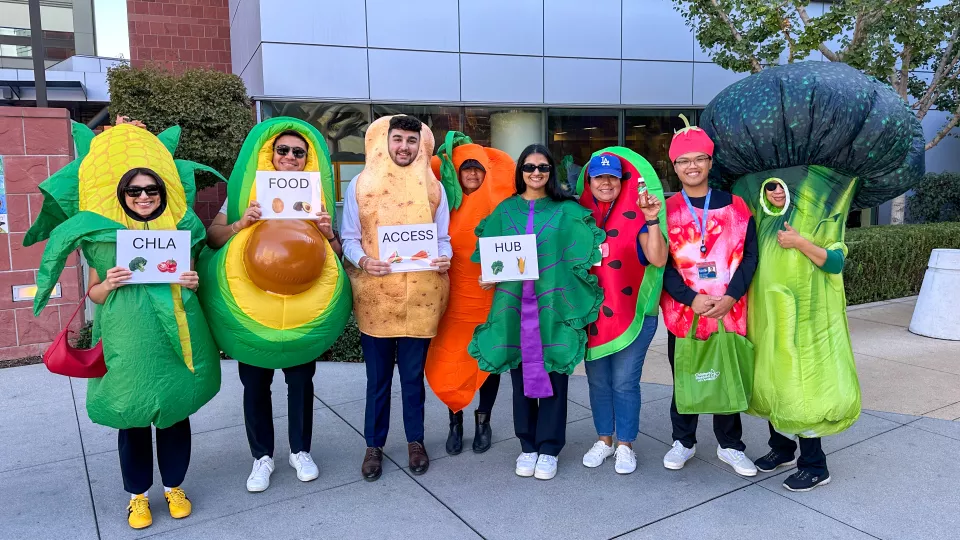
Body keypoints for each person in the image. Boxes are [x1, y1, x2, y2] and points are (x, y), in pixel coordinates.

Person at [24, 117, 220, 530]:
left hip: (172, 337)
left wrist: (191, 279)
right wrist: (108, 282)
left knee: (174, 411)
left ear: (161, 194)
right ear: (124, 194)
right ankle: (137, 497)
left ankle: (173, 487)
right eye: (135, 191)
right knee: (131, 416)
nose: (144, 196)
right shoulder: (104, 239)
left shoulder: (177, 231)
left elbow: (192, 282)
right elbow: (92, 293)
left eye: (152, 190)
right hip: (127, 339)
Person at [205, 127, 343, 493]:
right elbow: (212, 237)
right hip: (255, 309)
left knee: (300, 383)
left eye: (299, 152)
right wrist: (240, 223)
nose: (290, 157)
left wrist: (328, 233)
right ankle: (262, 456)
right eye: (283, 150)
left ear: (307, 159)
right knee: (256, 385)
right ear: (270, 153)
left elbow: (339, 257)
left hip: (302, 309)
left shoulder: (318, 197)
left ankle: (300, 450)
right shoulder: (243, 195)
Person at [470, 144, 604, 480]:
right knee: (521, 380)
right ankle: (527, 445)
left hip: (552, 307)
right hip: (514, 308)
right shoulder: (505, 210)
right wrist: (490, 275)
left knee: (555, 377)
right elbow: (491, 256)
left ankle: (549, 448)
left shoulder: (565, 211)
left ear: (551, 172)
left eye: (542, 168)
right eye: (529, 168)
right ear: (521, 172)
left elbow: (583, 251)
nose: (536, 174)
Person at [341, 115, 452, 481]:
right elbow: (350, 237)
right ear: (384, 142)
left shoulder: (433, 188)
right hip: (376, 297)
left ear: (421, 145)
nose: (404, 147)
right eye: (398, 139)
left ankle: (415, 442)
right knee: (377, 381)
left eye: (411, 141)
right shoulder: (360, 184)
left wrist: (443, 258)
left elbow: (443, 238)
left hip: (420, 297)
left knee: (412, 379)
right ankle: (374, 445)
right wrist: (364, 261)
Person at [659, 118, 759, 477]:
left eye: (698, 159)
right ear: (674, 167)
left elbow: (750, 255)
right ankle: (683, 440)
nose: (691, 166)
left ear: (710, 162)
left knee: (725, 371)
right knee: (685, 373)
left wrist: (732, 296)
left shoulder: (735, 206)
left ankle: (730, 445)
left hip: (728, 310)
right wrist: (689, 298)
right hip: (686, 312)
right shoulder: (667, 211)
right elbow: (662, 264)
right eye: (683, 161)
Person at [425, 133, 516, 456]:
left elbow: (515, 250)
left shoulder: (501, 206)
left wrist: (502, 275)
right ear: (457, 172)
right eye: (467, 169)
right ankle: (455, 421)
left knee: (486, 360)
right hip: (451, 300)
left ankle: (483, 420)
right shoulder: (439, 204)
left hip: (487, 299)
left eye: (478, 168)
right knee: (451, 359)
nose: (473, 174)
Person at [577, 151, 667, 474]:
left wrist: (652, 219)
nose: (605, 183)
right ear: (589, 182)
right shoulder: (579, 215)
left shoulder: (638, 215)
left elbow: (657, 259)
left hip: (633, 317)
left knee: (624, 383)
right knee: (598, 383)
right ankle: (604, 440)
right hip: (592, 318)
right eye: (599, 177)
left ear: (620, 181)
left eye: (612, 177)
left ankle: (626, 444)